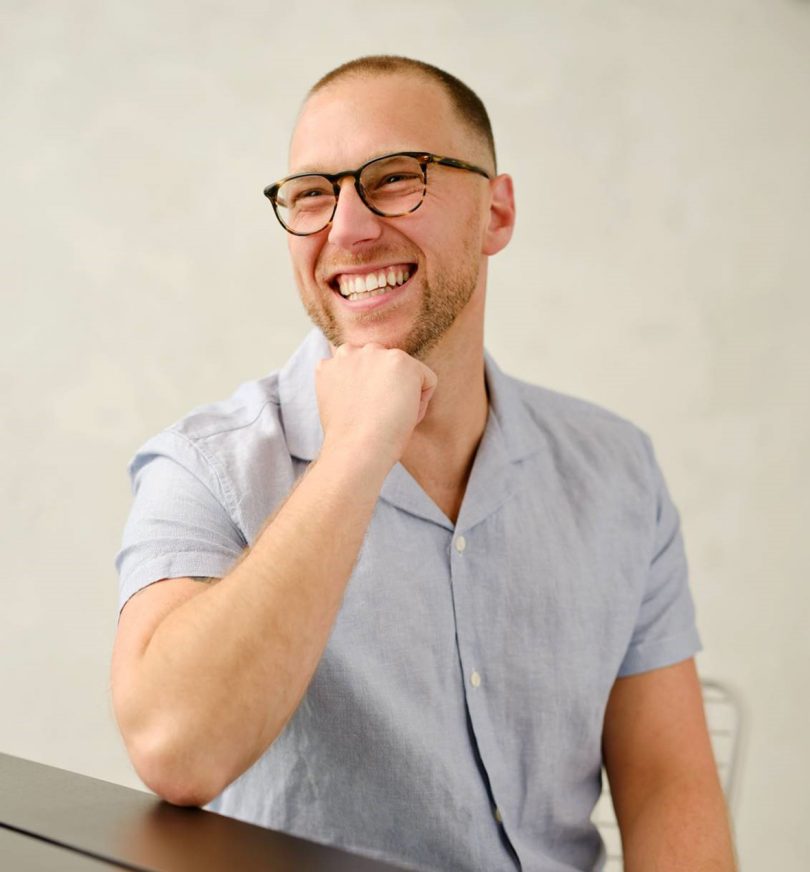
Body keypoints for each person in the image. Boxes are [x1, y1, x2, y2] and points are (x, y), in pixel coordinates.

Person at [112, 55, 736, 871]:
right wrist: (358, 452)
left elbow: (665, 785)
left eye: (397, 178)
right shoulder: (203, 466)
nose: (346, 229)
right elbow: (174, 749)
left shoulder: (616, 470)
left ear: (496, 213)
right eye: (311, 194)